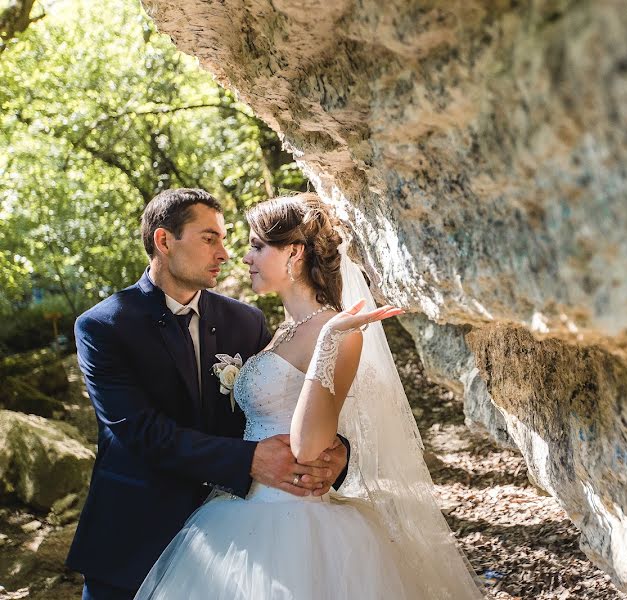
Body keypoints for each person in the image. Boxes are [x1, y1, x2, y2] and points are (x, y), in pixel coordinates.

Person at [134, 193, 484, 599]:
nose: (243, 257)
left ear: (294, 254)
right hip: (244, 506)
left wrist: (330, 341)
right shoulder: (275, 330)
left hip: (298, 520)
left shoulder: (337, 330)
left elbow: (307, 443)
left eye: (257, 246)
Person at [67, 189, 351, 600]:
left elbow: (278, 402)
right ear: (164, 241)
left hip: (237, 538)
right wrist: (249, 459)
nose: (225, 253)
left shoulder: (245, 321)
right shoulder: (103, 327)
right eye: (209, 238)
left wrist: (336, 451)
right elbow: (142, 432)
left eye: (224, 238)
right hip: (134, 538)